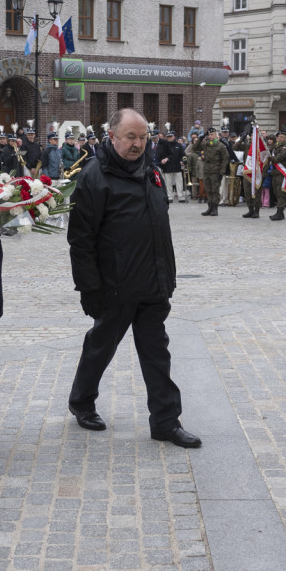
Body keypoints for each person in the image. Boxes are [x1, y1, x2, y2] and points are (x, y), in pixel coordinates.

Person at [66, 108, 199, 448]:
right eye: (131, 137)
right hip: (115, 287)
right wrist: (88, 288)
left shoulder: (151, 170)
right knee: (101, 346)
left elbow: (158, 226)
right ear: (111, 136)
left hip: (153, 283)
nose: (138, 143)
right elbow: (80, 240)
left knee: (157, 352)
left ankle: (166, 421)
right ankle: (82, 402)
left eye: (143, 137)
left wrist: (165, 276)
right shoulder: (94, 176)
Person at [198, 127, 228, 217]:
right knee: (208, 190)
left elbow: (225, 159)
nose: (210, 136)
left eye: (212, 135)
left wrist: (222, 172)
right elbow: (195, 147)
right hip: (207, 170)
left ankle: (215, 208)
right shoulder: (206, 144)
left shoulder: (220, 146)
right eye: (209, 135)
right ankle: (209, 207)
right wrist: (201, 137)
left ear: (216, 135)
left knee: (215, 190)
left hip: (216, 171)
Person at [268, 131, 286, 220]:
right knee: (276, 192)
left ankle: (279, 213)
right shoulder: (276, 146)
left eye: (281, 137)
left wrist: (269, 158)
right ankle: (280, 213)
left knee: (280, 194)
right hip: (275, 173)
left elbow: (278, 159)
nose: (279, 138)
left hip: (281, 173)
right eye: (278, 137)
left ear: (285, 138)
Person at [157, 130, 186, 204]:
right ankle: (170, 196)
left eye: (170, 136)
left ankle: (181, 196)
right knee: (168, 183)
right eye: (168, 137)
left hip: (177, 166)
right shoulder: (164, 146)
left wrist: (183, 160)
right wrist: (163, 160)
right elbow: (161, 155)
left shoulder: (179, 145)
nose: (169, 138)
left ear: (174, 137)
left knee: (179, 182)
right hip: (167, 166)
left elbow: (183, 155)